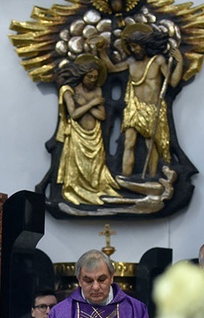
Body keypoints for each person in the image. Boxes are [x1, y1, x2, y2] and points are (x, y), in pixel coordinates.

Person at [97, 24, 183, 178]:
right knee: (129, 142)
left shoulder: (158, 61)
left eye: (136, 46)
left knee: (151, 145)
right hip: (134, 107)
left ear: (145, 46)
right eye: (131, 47)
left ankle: (150, 177)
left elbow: (173, 83)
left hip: (152, 108)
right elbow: (112, 69)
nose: (134, 50)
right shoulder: (130, 63)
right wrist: (103, 52)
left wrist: (180, 62)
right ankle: (125, 177)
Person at [55, 55, 120, 205]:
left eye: (95, 77)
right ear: (82, 75)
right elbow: (74, 114)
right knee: (78, 169)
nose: (92, 80)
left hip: (95, 135)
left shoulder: (97, 90)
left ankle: (96, 190)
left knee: (96, 168)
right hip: (78, 135)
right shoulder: (69, 91)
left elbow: (102, 115)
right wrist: (91, 104)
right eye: (89, 77)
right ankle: (78, 192)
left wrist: (86, 103)